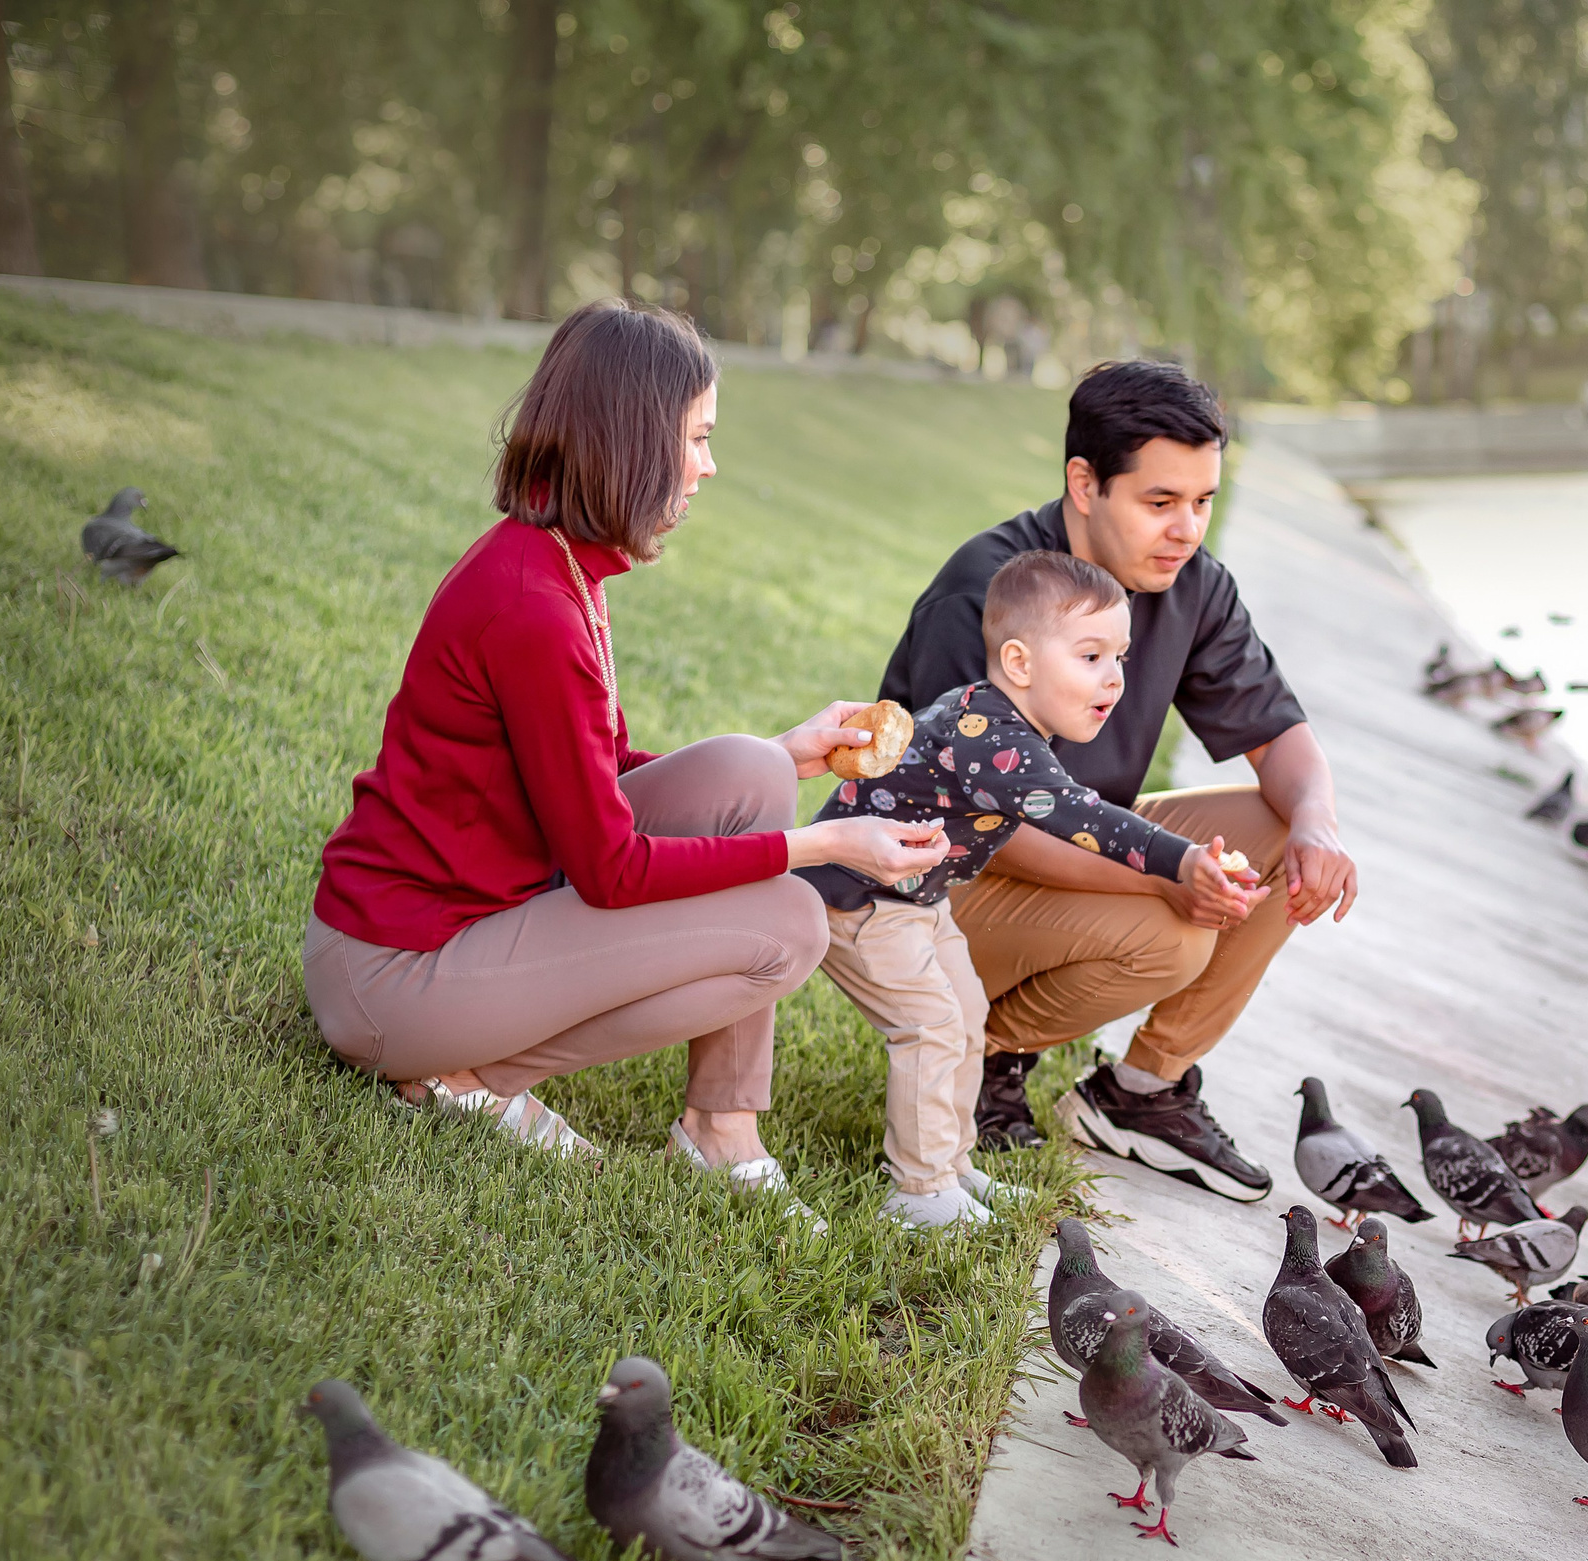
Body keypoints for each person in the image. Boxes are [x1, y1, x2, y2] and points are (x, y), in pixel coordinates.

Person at [304, 300, 945, 1202]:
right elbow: (609, 869)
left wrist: (790, 754)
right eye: (697, 437)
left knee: (750, 769)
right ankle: (471, 1075)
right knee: (789, 925)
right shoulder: (532, 604)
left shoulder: (558, 563)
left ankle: (722, 1125)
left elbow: (586, 771)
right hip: (394, 974)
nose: (709, 465)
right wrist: (827, 846)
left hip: (468, 917)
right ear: (634, 440)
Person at [877, 360, 1358, 1200]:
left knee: (1282, 831)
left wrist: (1318, 823)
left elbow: (1281, 736)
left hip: (1080, 839)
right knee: (1174, 932)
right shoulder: (986, 591)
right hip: (931, 888)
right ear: (1085, 483)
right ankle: (989, 1050)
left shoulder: (1191, 584)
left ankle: (1141, 1090)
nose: (1187, 529)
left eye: (1204, 502)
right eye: (1161, 502)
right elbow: (1007, 830)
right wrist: (1169, 873)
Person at [805, 550, 1259, 1226]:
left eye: (1121, 658)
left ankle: (951, 1163)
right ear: (1019, 663)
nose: (1114, 678)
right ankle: (920, 1190)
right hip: (860, 895)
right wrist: (1181, 857)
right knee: (931, 1025)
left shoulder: (1003, 722)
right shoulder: (992, 736)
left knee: (964, 1015)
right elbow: (1080, 815)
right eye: (1090, 656)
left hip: (916, 898)